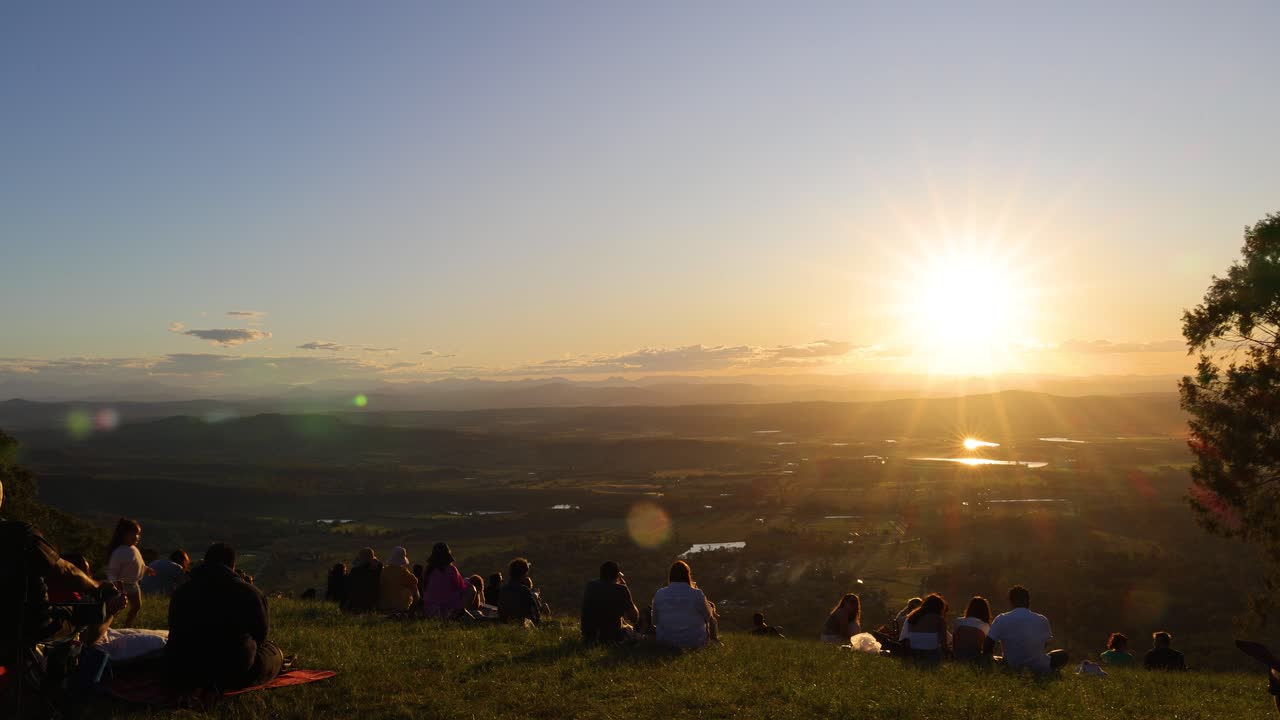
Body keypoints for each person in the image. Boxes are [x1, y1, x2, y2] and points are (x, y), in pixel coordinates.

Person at [0, 477, 127, 691]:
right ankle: (61, 679)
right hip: (27, 625)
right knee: (82, 613)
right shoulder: (20, 534)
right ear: (2, 500)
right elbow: (64, 571)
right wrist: (96, 586)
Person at [165, 543, 284, 691]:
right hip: (230, 674)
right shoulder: (249, 592)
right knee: (272, 652)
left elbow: (174, 627)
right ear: (232, 566)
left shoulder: (182, 591)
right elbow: (261, 636)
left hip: (182, 670)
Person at [987, 585, 1069, 674]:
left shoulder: (1001, 619)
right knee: (1062, 654)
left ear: (1011, 602)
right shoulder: (1042, 619)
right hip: (1040, 667)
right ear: (1028, 601)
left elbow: (988, 645)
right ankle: (1051, 671)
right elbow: (1044, 645)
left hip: (1012, 666)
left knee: (994, 658)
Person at [652, 560, 717, 649]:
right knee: (711, 617)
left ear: (670, 576)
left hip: (665, 642)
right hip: (695, 642)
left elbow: (654, 621)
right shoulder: (697, 594)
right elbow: (708, 616)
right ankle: (715, 640)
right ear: (688, 575)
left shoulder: (660, 593)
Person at [106, 518, 156, 627]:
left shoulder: (134, 549)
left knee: (137, 606)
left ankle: (127, 625)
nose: (137, 537)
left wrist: (147, 569)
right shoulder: (119, 552)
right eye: (134, 534)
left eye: (138, 534)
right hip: (122, 585)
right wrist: (115, 583)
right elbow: (112, 570)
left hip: (134, 584)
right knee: (117, 608)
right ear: (123, 535)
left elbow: (139, 564)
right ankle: (107, 625)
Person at [580, 561, 639, 645]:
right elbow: (634, 618)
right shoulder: (621, 589)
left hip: (588, 636)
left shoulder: (590, 586)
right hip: (612, 638)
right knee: (632, 632)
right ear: (617, 576)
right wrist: (625, 587)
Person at [421, 543, 471, 619]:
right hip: (448, 610)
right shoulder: (451, 569)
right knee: (471, 588)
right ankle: (460, 613)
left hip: (430, 610)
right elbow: (461, 587)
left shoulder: (428, 571)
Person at [902, 593, 950, 661]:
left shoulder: (913, 616)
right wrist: (949, 653)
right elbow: (943, 642)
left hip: (913, 651)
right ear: (940, 607)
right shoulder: (938, 619)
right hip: (931, 652)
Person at [498, 558, 542, 626]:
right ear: (524, 573)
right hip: (521, 625)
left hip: (505, 624)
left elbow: (501, 610)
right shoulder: (524, 590)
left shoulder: (503, 589)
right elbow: (535, 612)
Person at [378, 546, 420, 613]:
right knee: (414, 587)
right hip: (400, 605)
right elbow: (414, 581)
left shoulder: (384, 570)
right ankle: (415, 608)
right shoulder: (403, 571)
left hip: (384, 604)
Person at [952, 596, 993, 662]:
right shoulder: (985, 626)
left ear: (969, 608)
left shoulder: (958, 622)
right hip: (975, 660)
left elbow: (954, 644)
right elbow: (986, 648)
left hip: (957, 658)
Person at [341, 548, 382, 614]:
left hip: (357, 604)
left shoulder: (356, 571)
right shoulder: (378, 570)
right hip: (373, 604)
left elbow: (348, 589)